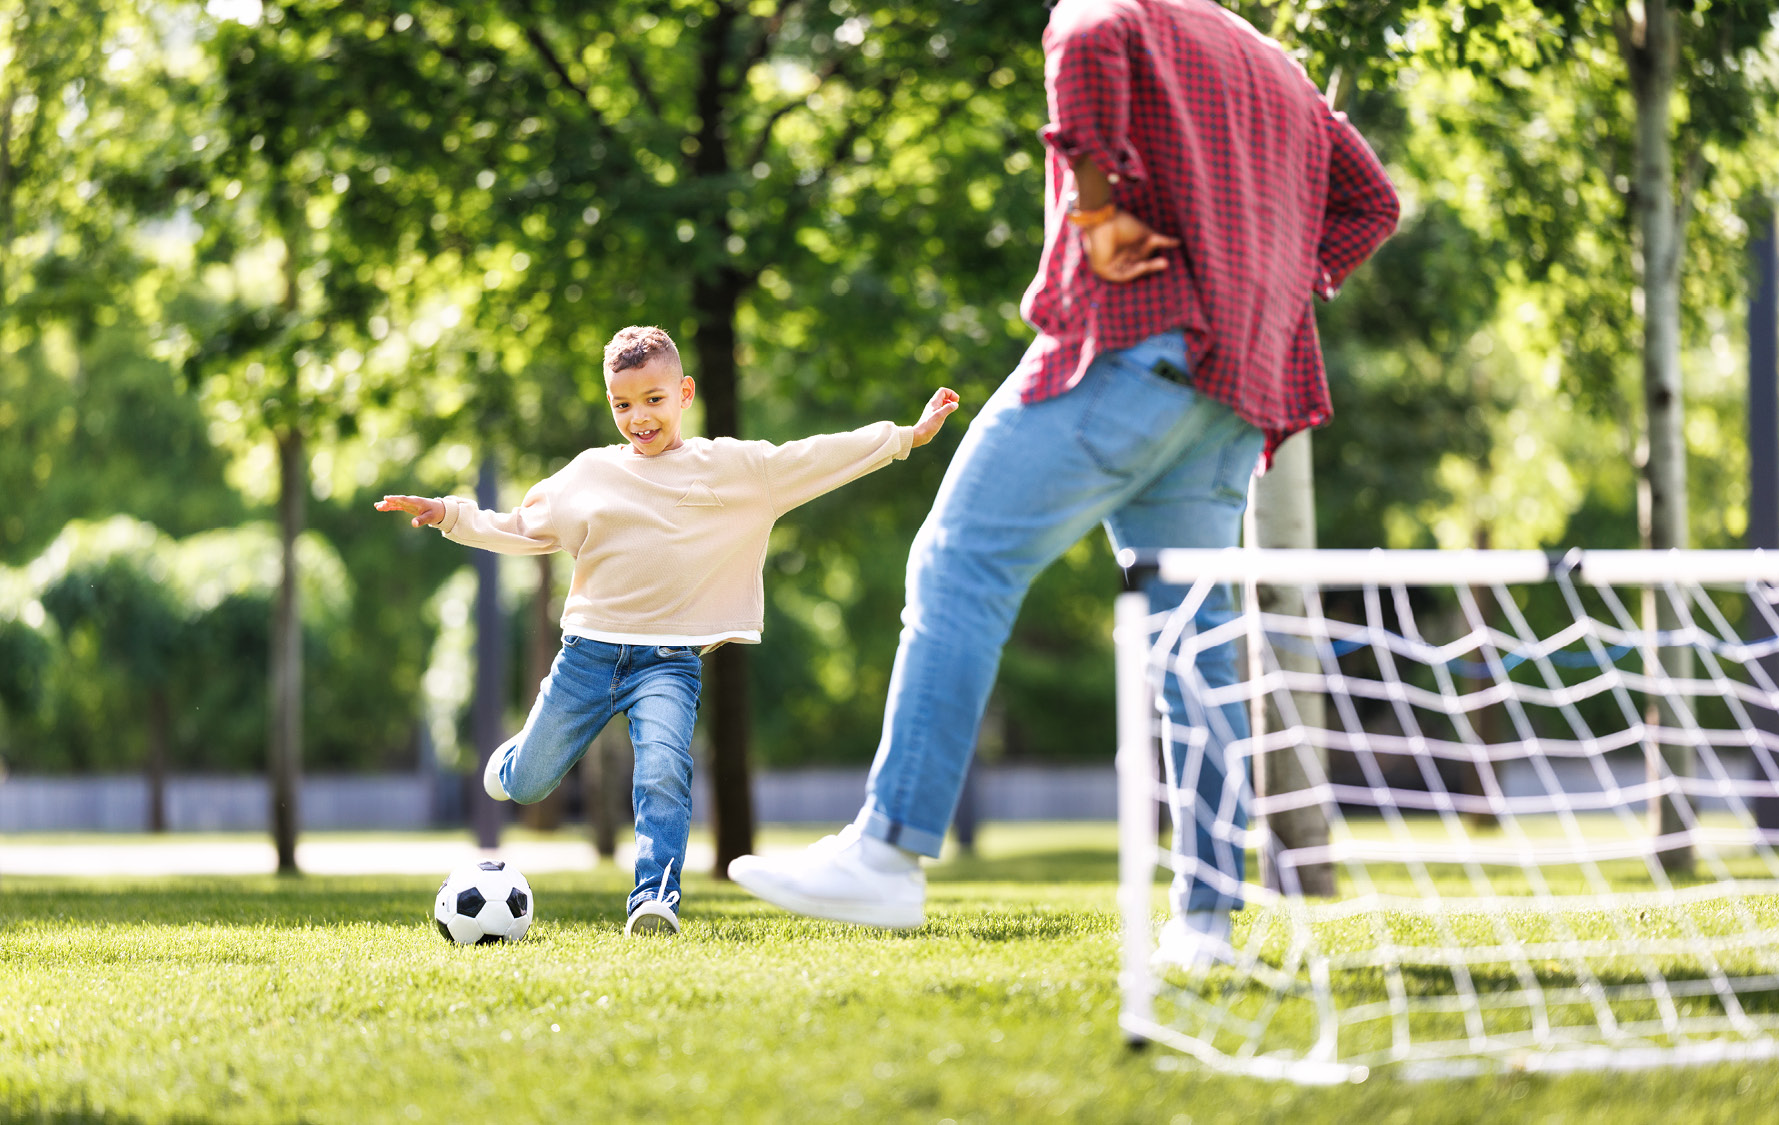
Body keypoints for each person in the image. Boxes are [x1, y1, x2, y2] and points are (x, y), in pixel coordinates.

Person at [727, 0, 1399, 964]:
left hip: (1130, 351)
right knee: (1195, 647)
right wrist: (1274, 284)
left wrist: (1092, 210)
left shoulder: (1104, 10)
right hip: (1236, 390)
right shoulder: (1272, 63)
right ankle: (1207, 923)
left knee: (961, 562)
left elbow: (1081, 48)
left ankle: (885, 853)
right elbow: (1371, 202)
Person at [378, 325, 959, 937]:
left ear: (683, 393)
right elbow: (521, 526)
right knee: (527, 786)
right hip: (588, 658)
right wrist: (449, 514)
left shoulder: (735, 469)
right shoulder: (588, 475)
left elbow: (812, 456)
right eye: (622, 404)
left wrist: (905, 438)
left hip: (668, 664)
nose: (639, 418)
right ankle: (514, 763)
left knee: (662, 770)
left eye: (653, 400)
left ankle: (654, 897)